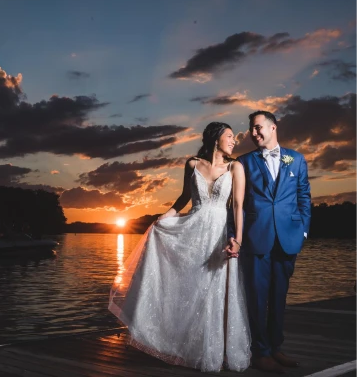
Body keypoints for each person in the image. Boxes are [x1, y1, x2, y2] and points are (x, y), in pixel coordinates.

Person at [109, 122, 251, 373]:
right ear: (216, 138)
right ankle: (187, 347)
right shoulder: (192, 164)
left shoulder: (235, 167)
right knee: (192, 289)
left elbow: (238, 206)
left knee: (216, 290)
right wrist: (164, 217)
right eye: (229, 136)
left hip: (219, 235)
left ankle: (214, 352)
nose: (233, 140)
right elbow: (184, 198)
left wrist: (237, 240)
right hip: (192, 233)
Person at [228, 110, 311, 374]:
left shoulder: (296, 159)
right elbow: (236, 205)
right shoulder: (243, 162)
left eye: (257, 127)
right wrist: (235, 236)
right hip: (256, 237)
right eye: (251, 129)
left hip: (288, 238)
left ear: (273, 127)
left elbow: (304, 196)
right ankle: (260, 352)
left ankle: (276, 348)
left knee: (279, 297)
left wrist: (303, 231)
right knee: (256, 298)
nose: (253, 133)